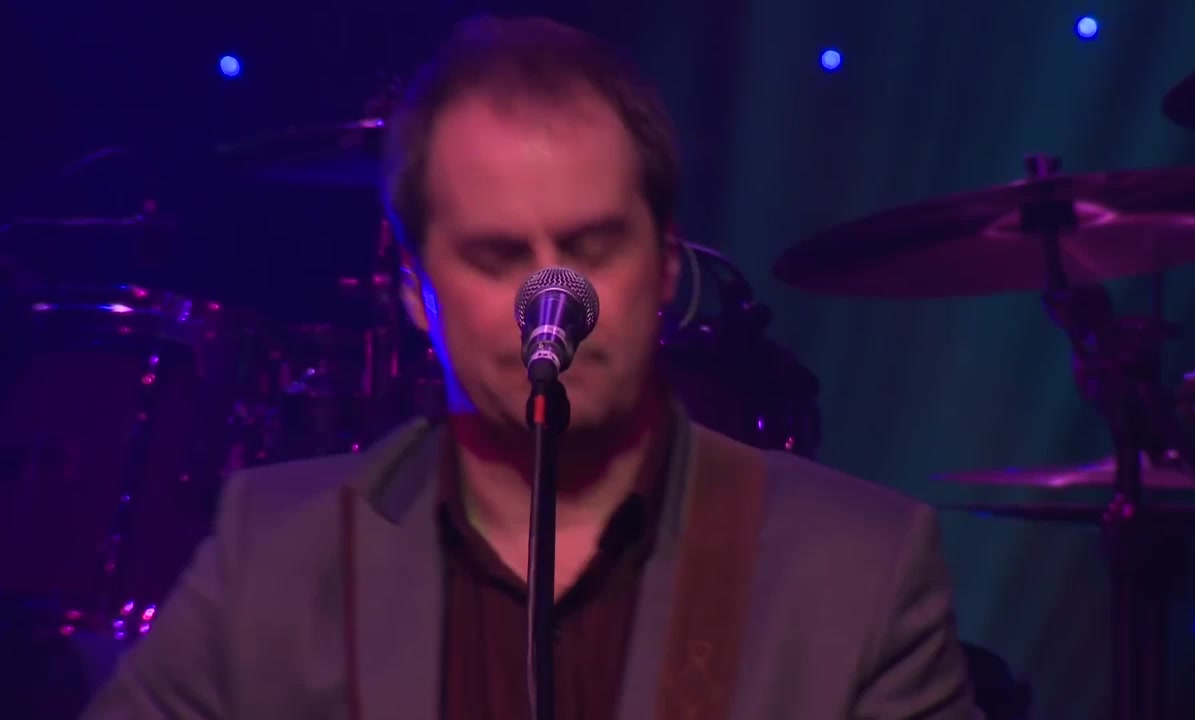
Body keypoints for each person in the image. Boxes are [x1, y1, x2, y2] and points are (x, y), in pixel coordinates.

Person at [81, 14, 978, 720]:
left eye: (591, 247)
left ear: (667, 268)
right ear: (415, 293)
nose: (552, 299)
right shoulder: (273, 554)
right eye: (498, 255)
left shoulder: (859, 571)